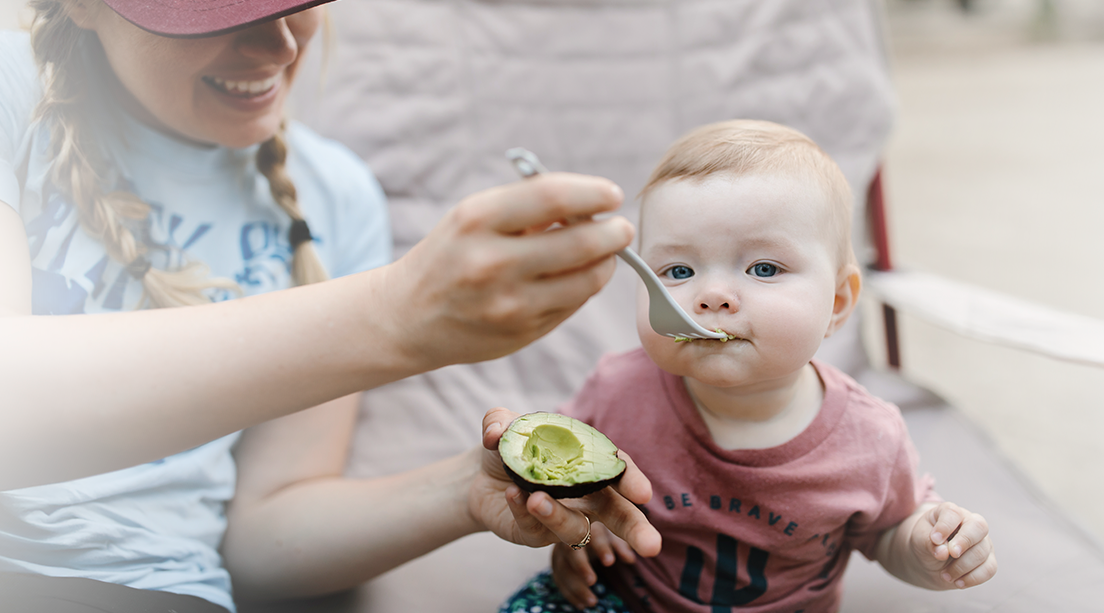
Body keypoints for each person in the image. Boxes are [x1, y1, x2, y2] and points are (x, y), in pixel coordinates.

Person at [0, 1, 663, 612]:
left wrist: (467, 488)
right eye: (214, 12)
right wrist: (392, 315)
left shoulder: (336, 198)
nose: (281, 46)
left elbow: (262, 546)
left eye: (294, 5)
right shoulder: (13, 88)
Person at [498, 119, 998, 613]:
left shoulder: (871, 438)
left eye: (763, 268)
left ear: (839, 303)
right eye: (678, 270)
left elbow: (889, 534)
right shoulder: (616, 390)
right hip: (617, 599)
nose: (712, 295)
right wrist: (577, 532)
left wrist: (931, 549)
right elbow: (561, 482)